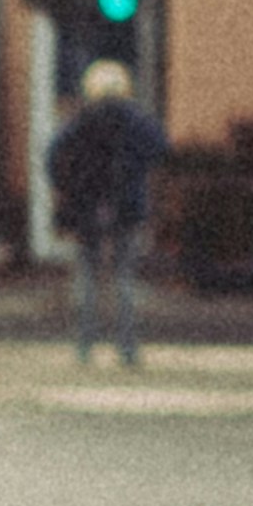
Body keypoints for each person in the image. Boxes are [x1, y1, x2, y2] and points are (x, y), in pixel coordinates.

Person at [42, 60, 159, 363]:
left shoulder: (80, 120)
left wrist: (66, 187)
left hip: (87, 206)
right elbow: (159, 147)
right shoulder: (135, 120)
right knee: (124, 278)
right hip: (127, 206)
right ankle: (128, 349)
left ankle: (84, 348)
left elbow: (53, 155)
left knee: (87, 277)